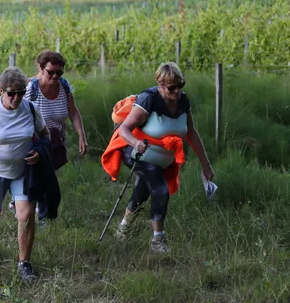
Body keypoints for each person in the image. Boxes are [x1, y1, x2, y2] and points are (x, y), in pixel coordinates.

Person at [104, 62, 214, 253]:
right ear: (160, 84)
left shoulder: (183, 101)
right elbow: (124, 129)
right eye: (172, 87)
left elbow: (191, 133)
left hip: (162, 158)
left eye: (181, 85)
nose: (177, 91)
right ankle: (158, 240)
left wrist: (206, 165)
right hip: (137, 154)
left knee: (142, 192)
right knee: (159, 188)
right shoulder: (149, 99)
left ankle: (123, 229)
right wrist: (136, 143)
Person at [0, 67, 50, 283]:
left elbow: (45, 135)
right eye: (11, 93)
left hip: (23, 171)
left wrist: (39, 152)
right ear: (1, 91)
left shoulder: (31, 109)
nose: (16, 98)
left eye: (21, 92)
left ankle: (24, 263)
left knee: (26, 215)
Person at [19, 50, 87, 223]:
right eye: (51, 72)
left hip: (55, 140)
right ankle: (39, 215)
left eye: (59, 72)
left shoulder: (64, 86)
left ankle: (26, 203)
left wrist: (81, 135)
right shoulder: (29, 88)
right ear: (41, 69)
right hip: (34, 140)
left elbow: (73, 112)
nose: (55, 76)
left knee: (43, 177)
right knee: (44, 178)